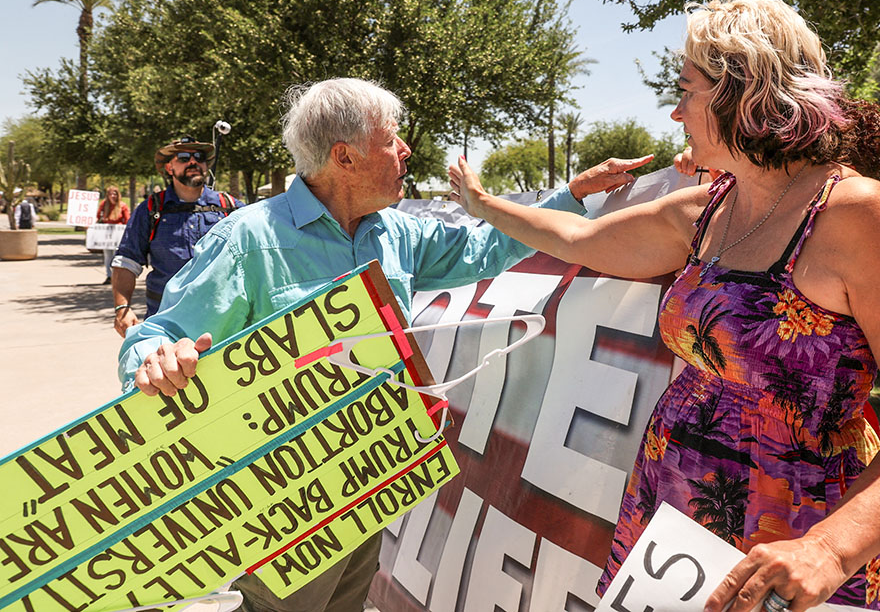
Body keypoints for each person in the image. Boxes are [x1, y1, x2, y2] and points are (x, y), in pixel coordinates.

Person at [448, 0, 880, 612]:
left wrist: (831, 550)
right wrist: (483, 205)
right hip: (671, 514)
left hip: (798, 538)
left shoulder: (856, 216)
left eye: (685, 90)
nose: (675, 113)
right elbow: (579, 237)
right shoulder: (706, 209)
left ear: (742, 93)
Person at [117, 78, 641, 612]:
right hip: (285, 496)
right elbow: (158, 336)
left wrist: (573, 194)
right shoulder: (249, 239)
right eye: (392, 139)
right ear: (344, 156)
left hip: (369, 481)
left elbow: (488, 248)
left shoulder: (398, 233)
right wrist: (155, 363)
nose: (407, 150)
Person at [110, 136, 242, 336]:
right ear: (169, 168)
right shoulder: (151, 209)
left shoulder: (230, 207)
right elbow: (127, 262)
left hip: (225, 322)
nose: (193, 162)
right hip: (165, 323)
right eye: (183, 157)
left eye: (199, 157)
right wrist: (122, 308)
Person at [96, 185, 130, 284]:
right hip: (106, 233)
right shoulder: (104, 204)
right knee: (107, 255)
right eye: (110, 193)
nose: (112, 196)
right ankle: (109, 275)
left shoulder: (122, 206)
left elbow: (127, 220)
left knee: (117, 255)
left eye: (114, 193)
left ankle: (117, 276)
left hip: (117, 233)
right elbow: (98, 216)